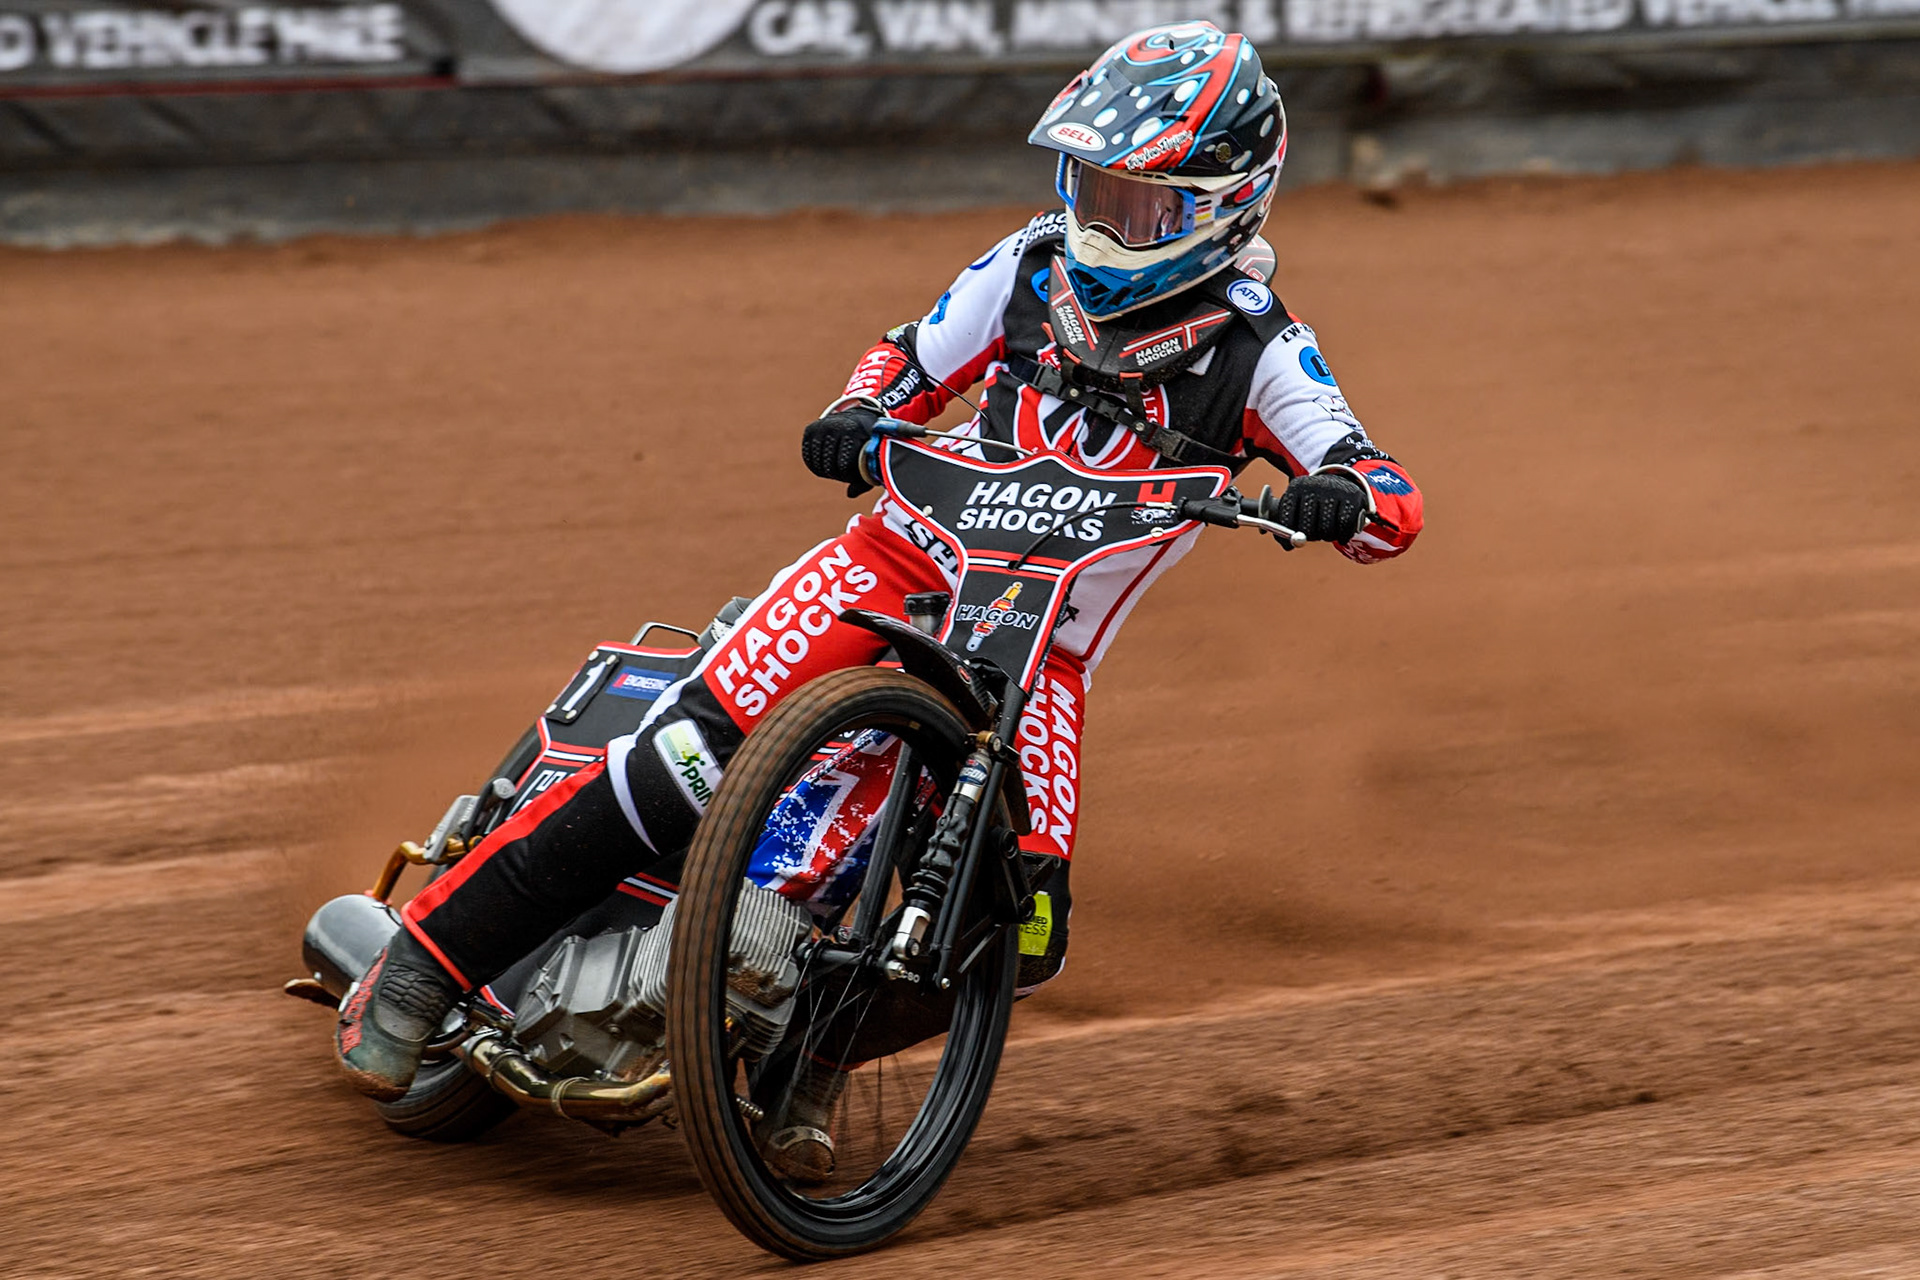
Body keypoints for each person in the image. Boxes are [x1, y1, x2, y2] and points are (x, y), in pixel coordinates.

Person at [334, 20, 1423, 1177]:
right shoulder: (1028, 263)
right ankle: (418, 971)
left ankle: (802, 1066)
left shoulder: (1264, 350)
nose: (1104, 221)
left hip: (1035, 654)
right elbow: (905, 359)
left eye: (1141, 203)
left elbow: (1388, 489)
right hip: (889, 565)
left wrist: (1340, 499)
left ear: (1226, 203)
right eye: (1093, 188)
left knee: (1027, 932)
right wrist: (858, 411)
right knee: (680, 759)